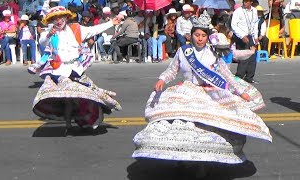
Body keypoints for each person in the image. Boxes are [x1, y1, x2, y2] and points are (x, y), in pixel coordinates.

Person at [132, 10, 272, 177]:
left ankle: (203, 163)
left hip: (208, 93)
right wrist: (162, 79)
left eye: (203, 35)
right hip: (186, 92)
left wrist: (241, 92)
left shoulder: (213, 53)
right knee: (182, 127)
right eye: (196, 35)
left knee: (206, 129)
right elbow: (171, 70)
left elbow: (227, 75)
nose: (199, 38)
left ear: (207, 37)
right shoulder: (183, 52)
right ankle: (182, 157)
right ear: (191, 36)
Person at [29, 6, 122, 130]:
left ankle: (82, 118)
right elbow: (42, 41)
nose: (58, 21)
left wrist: (111, 23)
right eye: (55, 19)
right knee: (70, 94)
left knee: (82, 95)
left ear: (66, 18)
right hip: (59, 71)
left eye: (60, 17)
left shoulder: (76, 29)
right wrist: (48, 36)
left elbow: (93, 30)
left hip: (75, 69)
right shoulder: (50, 32)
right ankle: (68, 124)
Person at [231, 0, 259, 84]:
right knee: (244, 57)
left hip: (251, 36)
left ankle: (249, 77)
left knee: (252, 57)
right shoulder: (238, 11)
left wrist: (256, 36)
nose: (244, 3)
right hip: (241, 36)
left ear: (251, 2)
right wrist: (242, 35)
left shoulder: (254, 10)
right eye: (244, 1)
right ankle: (239, 77)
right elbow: (234, 25)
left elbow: (255, 24)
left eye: (246, 1)